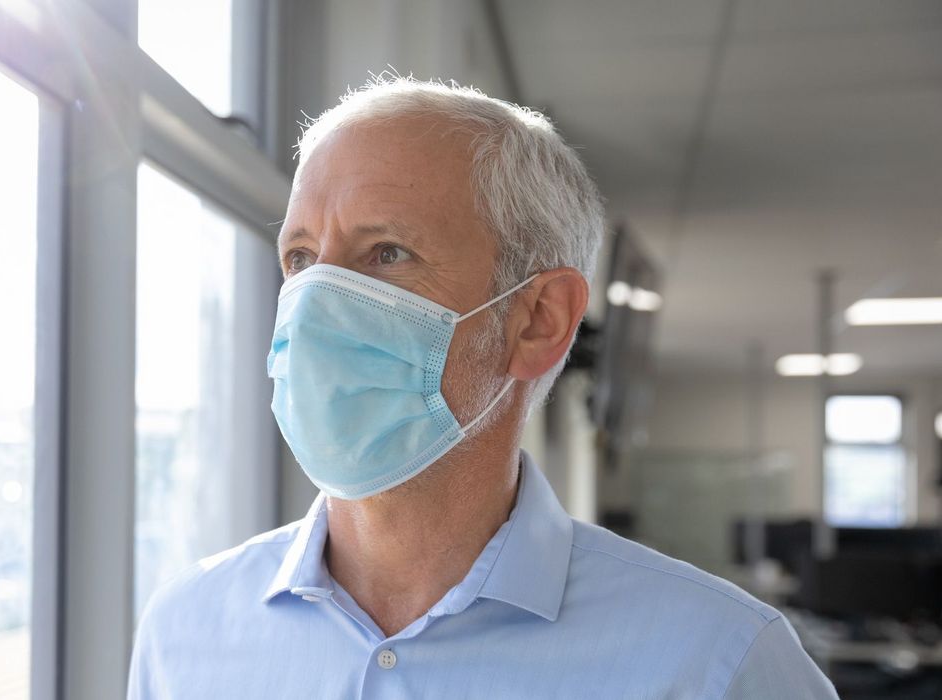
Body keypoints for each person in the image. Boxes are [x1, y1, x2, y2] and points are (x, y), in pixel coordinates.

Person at [127, 76, 837, 699]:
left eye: (387, 254)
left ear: (537, 320)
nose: (316, 304)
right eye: (302, 258)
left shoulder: (714, 663)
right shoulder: (185, 631)